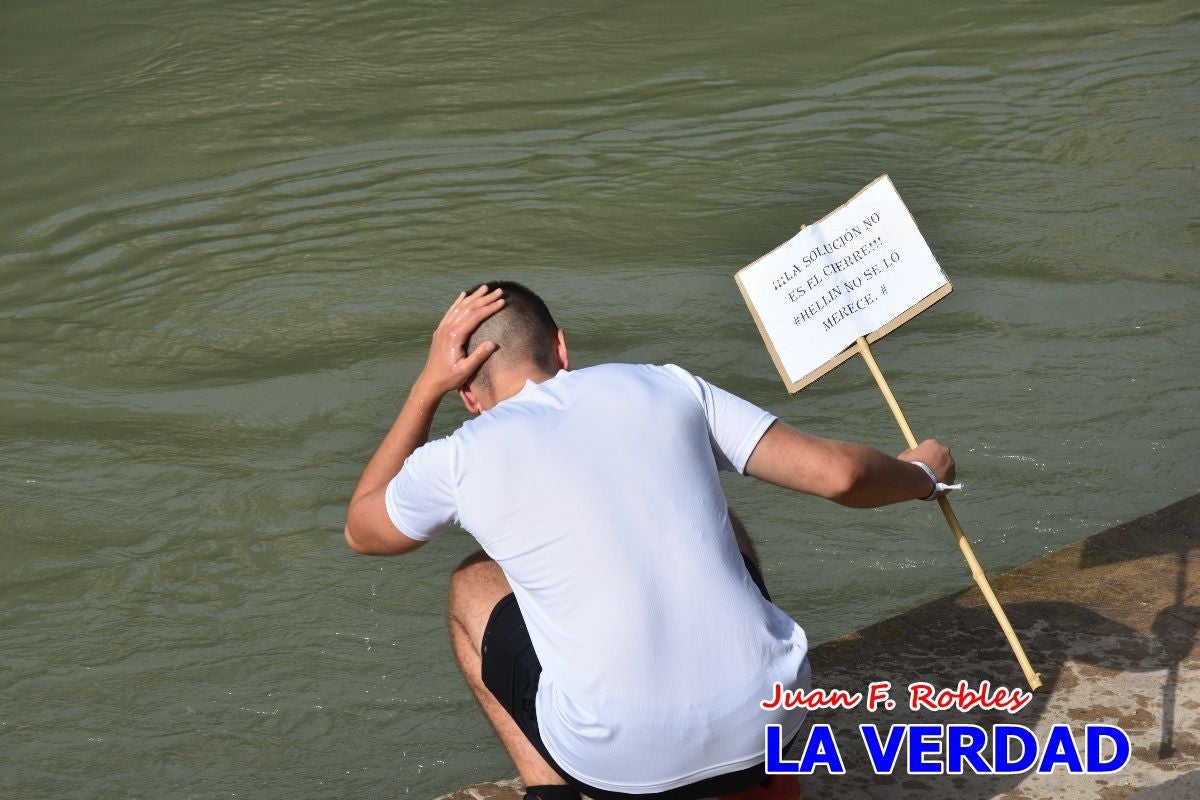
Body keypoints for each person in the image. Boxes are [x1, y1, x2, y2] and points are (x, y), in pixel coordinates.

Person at [344, 282, 955, 800]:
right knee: (717, 521)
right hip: (774, 726)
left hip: (621, 768)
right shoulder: (669, 385)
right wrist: (922, 476)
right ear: (561, 348)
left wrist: (425, 387)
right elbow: (841, 476)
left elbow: (363, 530)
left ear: (468, 395)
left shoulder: (456, 458)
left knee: (473, 584)